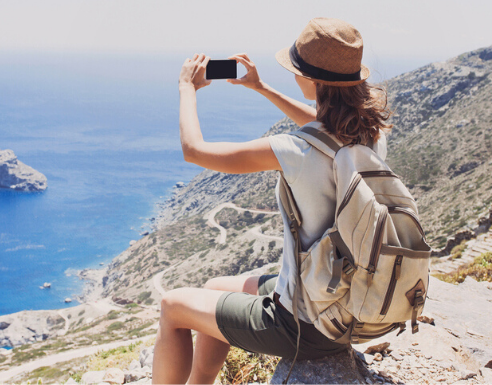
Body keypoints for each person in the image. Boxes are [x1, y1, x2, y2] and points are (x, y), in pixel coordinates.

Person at [153, 18, 393, 384]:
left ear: (311, 81)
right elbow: (321, 122)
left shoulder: (295, 150)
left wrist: (188, 88)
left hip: (307, 325)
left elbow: (195, 151)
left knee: (172, 307)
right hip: (355, 304)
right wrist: (260, 87)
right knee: (215, 287)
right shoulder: (370, 133)